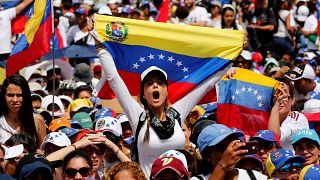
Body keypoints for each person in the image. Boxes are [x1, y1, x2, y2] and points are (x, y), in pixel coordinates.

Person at [88, 20, 230, 176]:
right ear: (143, 93)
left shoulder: (177, 114)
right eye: (149, 83)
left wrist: (231, 56)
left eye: (160, 83)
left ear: (166, 91)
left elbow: (206, 85)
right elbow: (114, 79)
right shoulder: (138, 117)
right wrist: (100, 43)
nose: (155, 86)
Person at [197, 124, 267, 180]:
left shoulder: (255, 176)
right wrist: (223, 164)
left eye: (232, 144)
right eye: (222, 147)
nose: (229, 150)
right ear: (207, 156)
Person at [0, 74, 46, 147]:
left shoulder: (37, 120)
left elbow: (44, 152)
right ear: (3, 96)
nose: (15, 100)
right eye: (10, 95)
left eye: (19, 95)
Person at [268, 77, 309, 151]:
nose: (279, 99)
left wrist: (276, 104)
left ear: (293, 100)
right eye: (276, 95)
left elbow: (273, 136)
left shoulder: (298, 118)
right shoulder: (267, 116)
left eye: (283, 96)